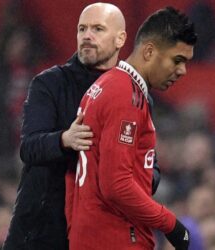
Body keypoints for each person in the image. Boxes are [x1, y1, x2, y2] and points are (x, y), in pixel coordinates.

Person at [3, 3, 161, 250]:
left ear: (121, 39)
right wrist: (65, 139)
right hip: (42, 232)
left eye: (98, 29)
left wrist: (132, 179)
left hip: (101, 235)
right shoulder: (50, 83)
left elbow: (151, 167)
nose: (87, 35)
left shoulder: (137, 96)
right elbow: (29, 147)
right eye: (82, 29)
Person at [68, 6, 197, 250]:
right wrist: (171, 225)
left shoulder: (106, 85)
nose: (182, 71)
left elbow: (73, 176)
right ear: (149, 51)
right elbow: (116, 185)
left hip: (94, 235)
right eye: (177, 60)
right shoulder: (125, 95)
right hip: (115, 238)